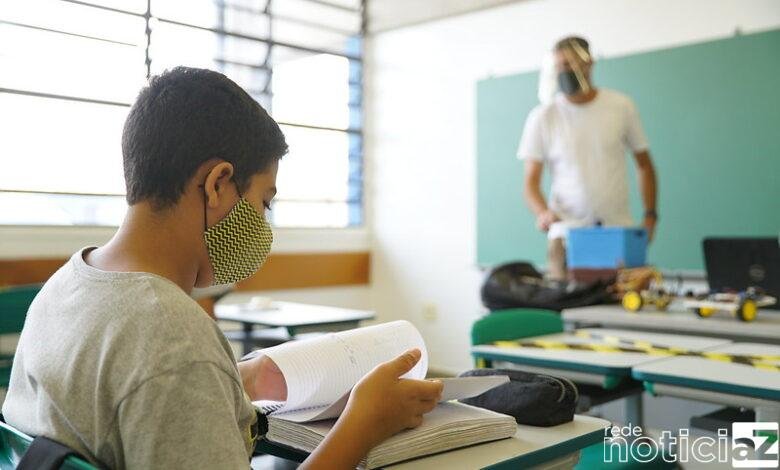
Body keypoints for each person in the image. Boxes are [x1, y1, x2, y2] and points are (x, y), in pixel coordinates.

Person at [2, 67, 443, 469]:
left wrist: (228, 382)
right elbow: (166, 366)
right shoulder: (174, 337)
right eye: (263, 202)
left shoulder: (64, 286)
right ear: (217, 184)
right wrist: (361, 426)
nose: (264, 224)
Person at [518, 36, 658, 280]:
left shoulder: (620, 106)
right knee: (567, 309)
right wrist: (543, 213)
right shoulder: (543, 116)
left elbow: (644, 165)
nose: (565, 71)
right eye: (559, 65)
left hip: (617, 233)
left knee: (618, 308)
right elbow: (530, 182)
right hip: (567, 236)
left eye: (571, 64)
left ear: (589, 63)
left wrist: (650, 216)